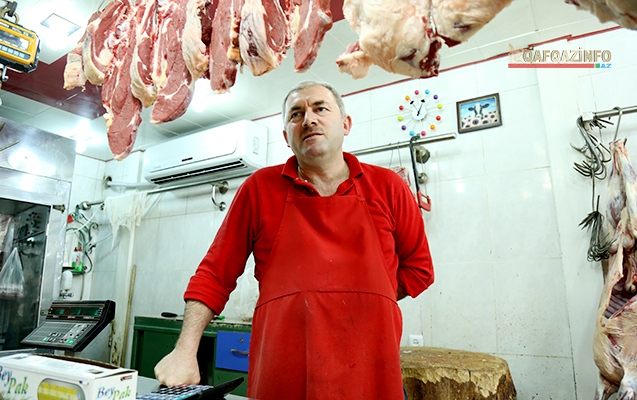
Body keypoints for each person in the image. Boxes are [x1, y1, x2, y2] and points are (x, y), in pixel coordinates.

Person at [154, 81, 434, 400]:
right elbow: (214, 275)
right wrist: (184, 350)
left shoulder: (389, 186)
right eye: (296, 114)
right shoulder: (258, 188)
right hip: (283, 374)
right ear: (287, 137)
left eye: (320, 108)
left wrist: (365, 298)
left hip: (371, 372)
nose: (309, 119)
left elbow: (420, 269)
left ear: (346, 124)